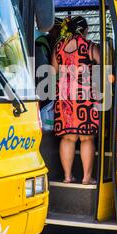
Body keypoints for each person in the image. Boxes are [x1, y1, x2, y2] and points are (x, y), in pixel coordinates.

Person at [51, 16, 101, 185]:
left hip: (64, 96)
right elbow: (102, 67)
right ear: (85, 30)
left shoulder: (59, 47)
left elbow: (52, 71)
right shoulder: (89, 46)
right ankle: (86, 178)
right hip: (84, 95)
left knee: (68, 138)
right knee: (86, 138)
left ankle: (67, 176)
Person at [35, 17, 63, 109]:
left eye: (61, 29)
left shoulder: (59, 44)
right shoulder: (41, 44)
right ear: (50, 29)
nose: (60, 33)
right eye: (57, 29)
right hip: (45, 92)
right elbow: (42, 72)